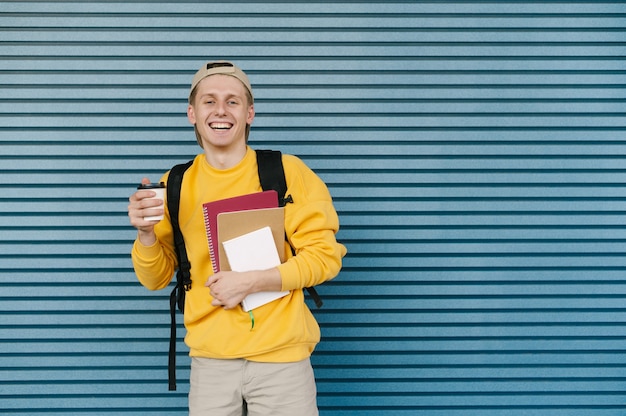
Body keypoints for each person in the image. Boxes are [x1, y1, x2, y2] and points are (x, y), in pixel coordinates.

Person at [128, 61, 346, 415]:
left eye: (233, 101)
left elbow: (325, 257)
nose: (220, 110)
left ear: (249, 113)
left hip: (282, 361)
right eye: (209, 101)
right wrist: (145, 234)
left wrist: (251, 282)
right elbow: (154, 279)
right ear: (191, 113)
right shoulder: (175, 184)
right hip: (211, 363)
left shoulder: (287, 172)